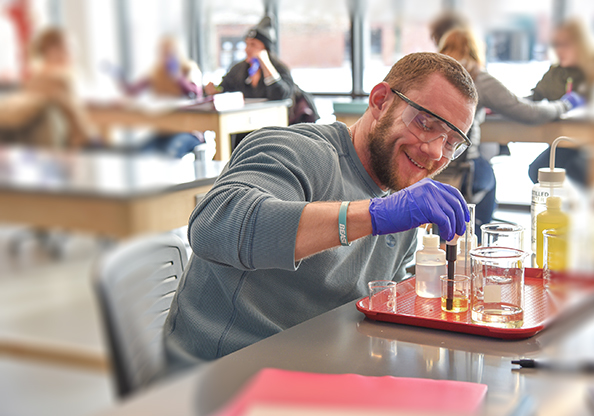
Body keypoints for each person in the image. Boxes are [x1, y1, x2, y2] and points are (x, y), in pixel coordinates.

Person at [163, 52, 477, 369]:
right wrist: (373, 215)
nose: (436, 151)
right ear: (381, 102)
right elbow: (213, 228)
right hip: (223, 378)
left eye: (451, 142)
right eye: (425, 123)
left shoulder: (404, 200)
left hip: (321, 374)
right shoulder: (294, 151)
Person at [437, 27, 584, 232]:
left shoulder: (433, 76)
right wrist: (565, 104)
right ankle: (480, 235)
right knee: (488, 175)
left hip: (430, 168)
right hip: (465, 170)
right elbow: (529, 113)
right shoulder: (476, 78)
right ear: (475, 50)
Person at [528, 18, 594, 187]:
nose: (559, 50)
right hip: (566, 141)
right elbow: (536, 96)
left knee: (581, 172)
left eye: (565, 45)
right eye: (556, 45)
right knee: (537, 171)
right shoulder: (556, 73)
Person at [205, 15, 317, 145]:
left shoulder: (279, 68)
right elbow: (224, 89)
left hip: (275, 129)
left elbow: (280, 95)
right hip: (242, 128)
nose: (247, 49)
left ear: (265, 48)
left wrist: (265, 63)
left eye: (253, 45)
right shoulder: (239, 69)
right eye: (246, 44)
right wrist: (214, 90)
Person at [0, 27, 97, 148]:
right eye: (70, 48)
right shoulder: (62, 80)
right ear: (52, 51)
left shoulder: (31, 81)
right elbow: (78, 122)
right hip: (75, 146)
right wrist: (94, 140)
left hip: (38, 148)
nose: (74, 53)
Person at [116, 36, 204, 158]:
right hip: (165, 131)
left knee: (170, 153)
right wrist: (119, 77)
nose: (167, 57)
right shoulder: (157, 73)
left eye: (170, 53)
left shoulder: (190, 69)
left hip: (188, 132)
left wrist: (177, 77)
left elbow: (194, 93)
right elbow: (133, 90)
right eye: (163, 53)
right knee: (140, 154)